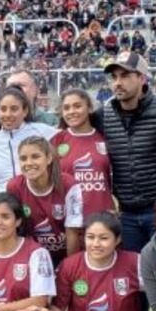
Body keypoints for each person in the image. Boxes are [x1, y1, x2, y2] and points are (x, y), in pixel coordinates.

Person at [97, 51, 156, 252]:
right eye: (114, 77)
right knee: (135, 274)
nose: (117, 83)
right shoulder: (103, 115)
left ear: (142, 78)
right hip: (126, 214)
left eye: (125, 76)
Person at [6, 136, 84, 266]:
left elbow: (73, 231)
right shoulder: (14, 187)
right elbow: (15, 230)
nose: (29, 163)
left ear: (48, 159)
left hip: (67, 253)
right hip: (33, 257)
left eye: (35, 156)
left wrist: (69, 268)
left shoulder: (68, 184)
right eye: (23, 158)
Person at [50, 89, 113, 218]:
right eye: (66, 108)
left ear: (89, 108)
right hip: (71, 217)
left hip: (103, 216)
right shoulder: (56, 140)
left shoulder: (104, 137)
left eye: (77, 106)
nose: (72, 112)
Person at [0, 87, 58, 192]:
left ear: (25, 111)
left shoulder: (42, 131)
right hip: (3, 203)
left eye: (14, 109)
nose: (7, 114)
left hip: (34, 200)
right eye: (3, 109)